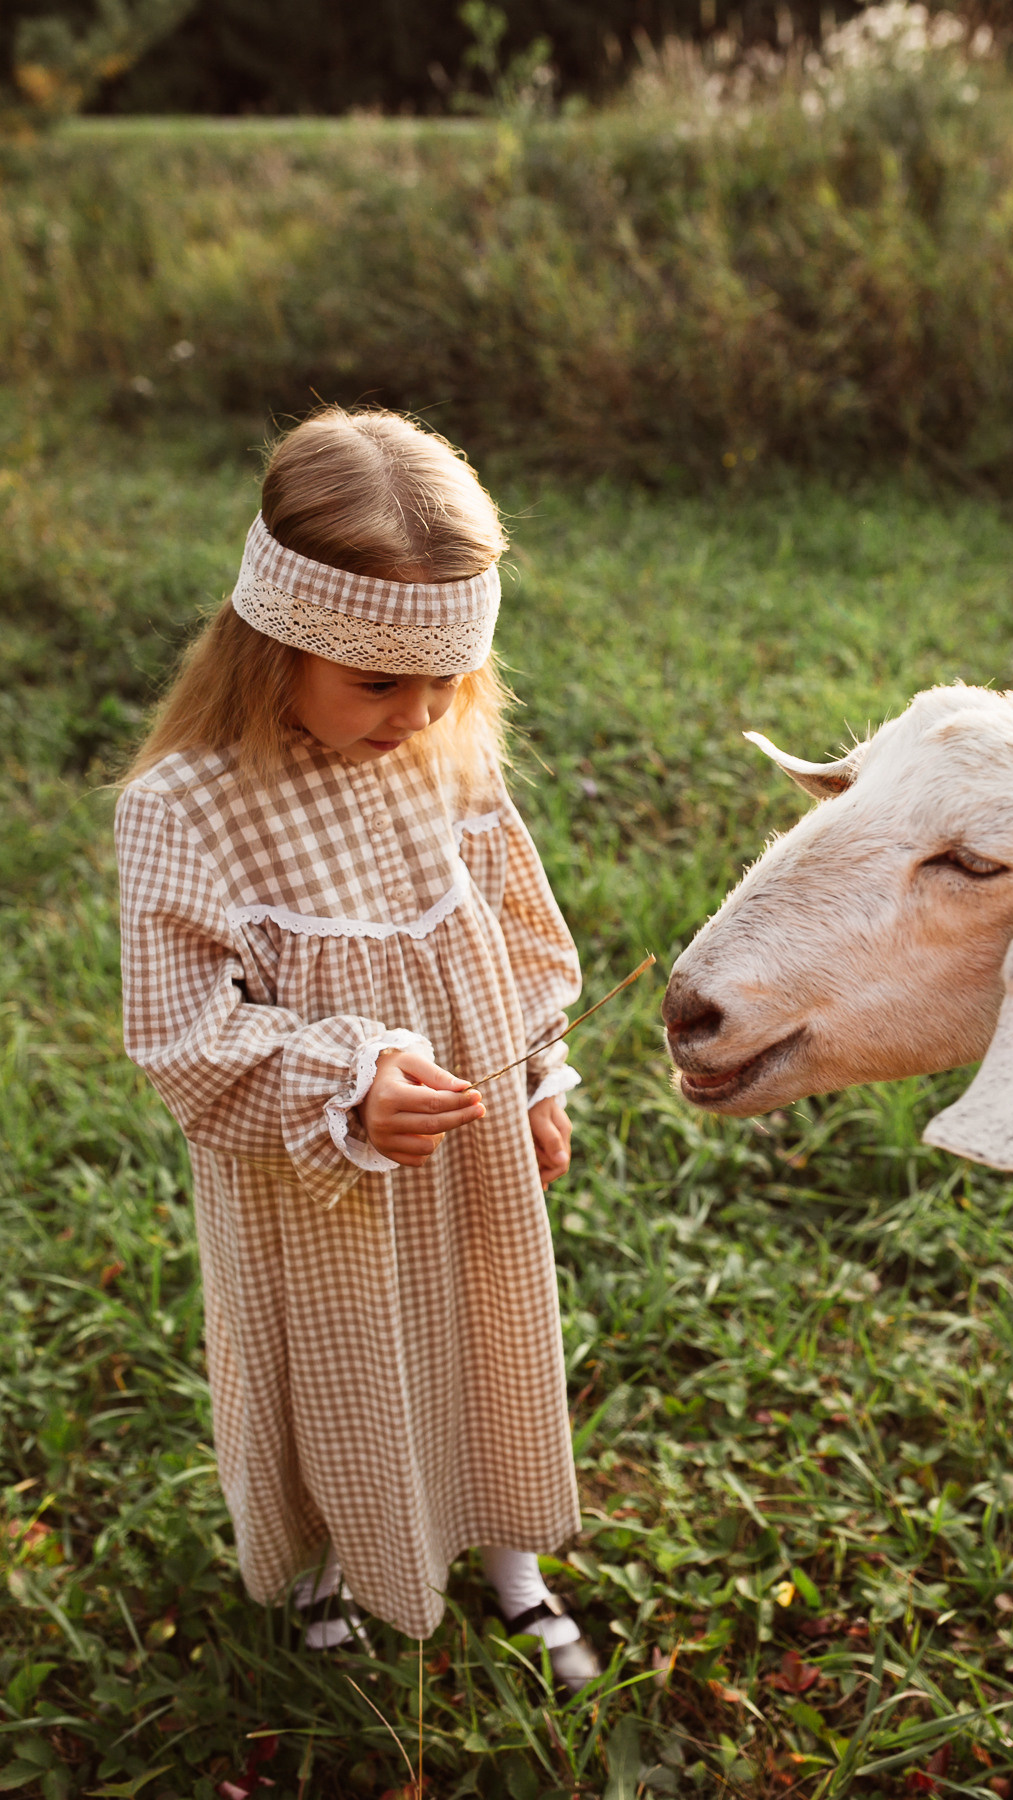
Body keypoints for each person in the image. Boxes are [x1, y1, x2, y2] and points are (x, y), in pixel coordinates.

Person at [115, 407, 600, 1688]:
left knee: (487, 1331)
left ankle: (508, 1556)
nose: (418, 713)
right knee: (338, 1357)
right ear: (275, 644)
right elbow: (182, 1029)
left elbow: (516, 932)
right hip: (309, 1173)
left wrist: (538, 1075)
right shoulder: (187, 810)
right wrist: (343, 1075)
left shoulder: (445, 754)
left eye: (447, 680)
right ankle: (336, 1554)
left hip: (469, 1143)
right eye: (380, 683)